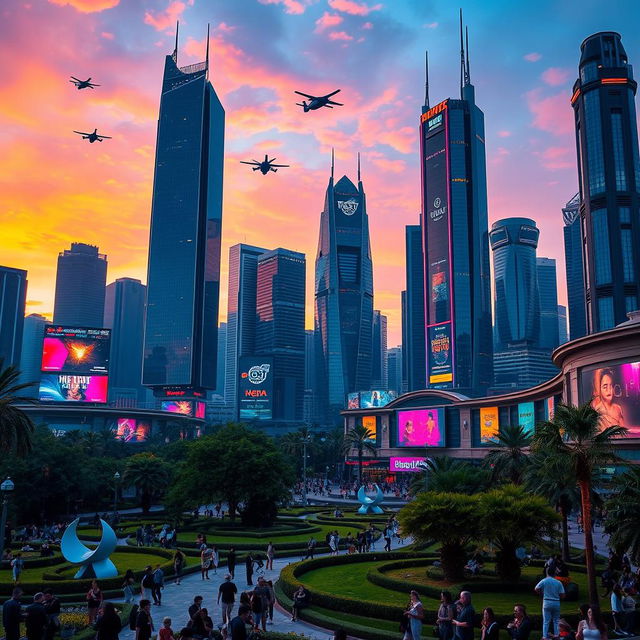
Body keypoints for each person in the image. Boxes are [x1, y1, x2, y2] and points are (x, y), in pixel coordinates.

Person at [535, 567, 566, 640]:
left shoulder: (544, 580)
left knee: (546, 621)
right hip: (556, 602)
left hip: (546, 601)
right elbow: (563, 595)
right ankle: (556, 635)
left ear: (547, 572)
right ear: (554, 573)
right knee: (556, 620)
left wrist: (541, 594)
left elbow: (536, 588)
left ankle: (545, 636)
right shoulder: (558, 582)